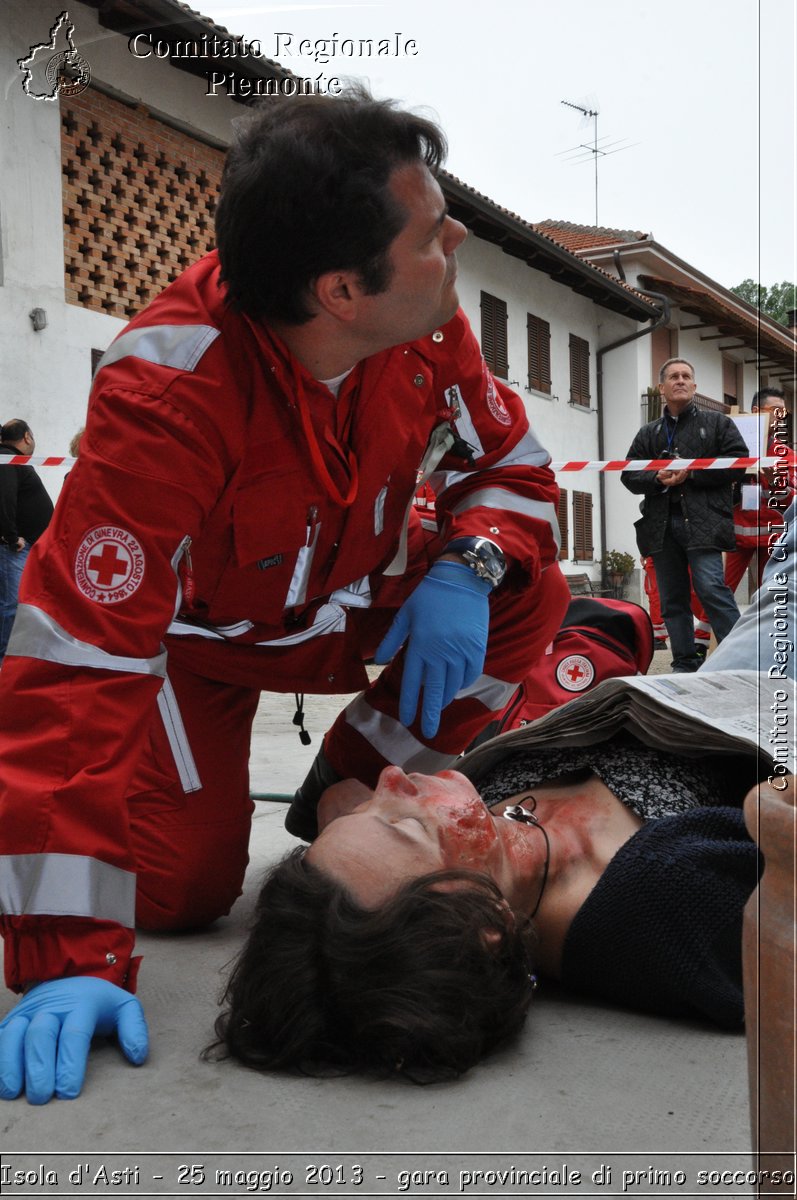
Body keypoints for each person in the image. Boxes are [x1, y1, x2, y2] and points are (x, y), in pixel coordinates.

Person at [0, 88, 568, 1103]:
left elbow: (515, 470)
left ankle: (344, 794)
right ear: (342, 291)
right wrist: (64, 954)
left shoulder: (430, 328)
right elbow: (74, 665)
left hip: (359, 601)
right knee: (181, 895)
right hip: (199, 644)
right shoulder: (169, 390)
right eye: (434, 234)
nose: (459, 241)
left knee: (526, 589)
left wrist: (468, 564)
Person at [207, 501, 797, 1083]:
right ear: (482, 922)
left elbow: (346, 815)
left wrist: (348, 812)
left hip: (720, 694)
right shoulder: (672, 904)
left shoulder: (474, 869)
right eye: (408, 823)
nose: (395, 778)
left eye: (371, 808)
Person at [621, 358, 749, 672]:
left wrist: (690, 474)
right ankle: (684, 662)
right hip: (661, 525)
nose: (680, 380)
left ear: (694, 386)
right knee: (672, 599)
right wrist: (656, 478)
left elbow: (738, 463)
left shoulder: (719, 424)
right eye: (674, 377)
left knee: (711, 588)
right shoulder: (648, 433)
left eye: (686, 376)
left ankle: (739, 660)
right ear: (662, 387)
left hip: (704, 522)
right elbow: (628, 475)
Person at [693, 388, 795, 644]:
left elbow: (792, 500)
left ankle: (765, 643)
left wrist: (775, 483)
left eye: (784, 412)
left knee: (772, 590)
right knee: (720, 589)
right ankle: (700, 642)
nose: (780, 417)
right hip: (737, 533)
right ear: (756, 413)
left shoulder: (788, 455)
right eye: (775, 411)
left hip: (773, 537)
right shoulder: (734, 448)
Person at [0, 419, 54, 663]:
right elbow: (5, 497)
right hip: (14, 549)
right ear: (27, 437)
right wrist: (11, 537)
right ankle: (5, 662)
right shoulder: (6, 458)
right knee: (11, 606)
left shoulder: (11, 459)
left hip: (24, 547)